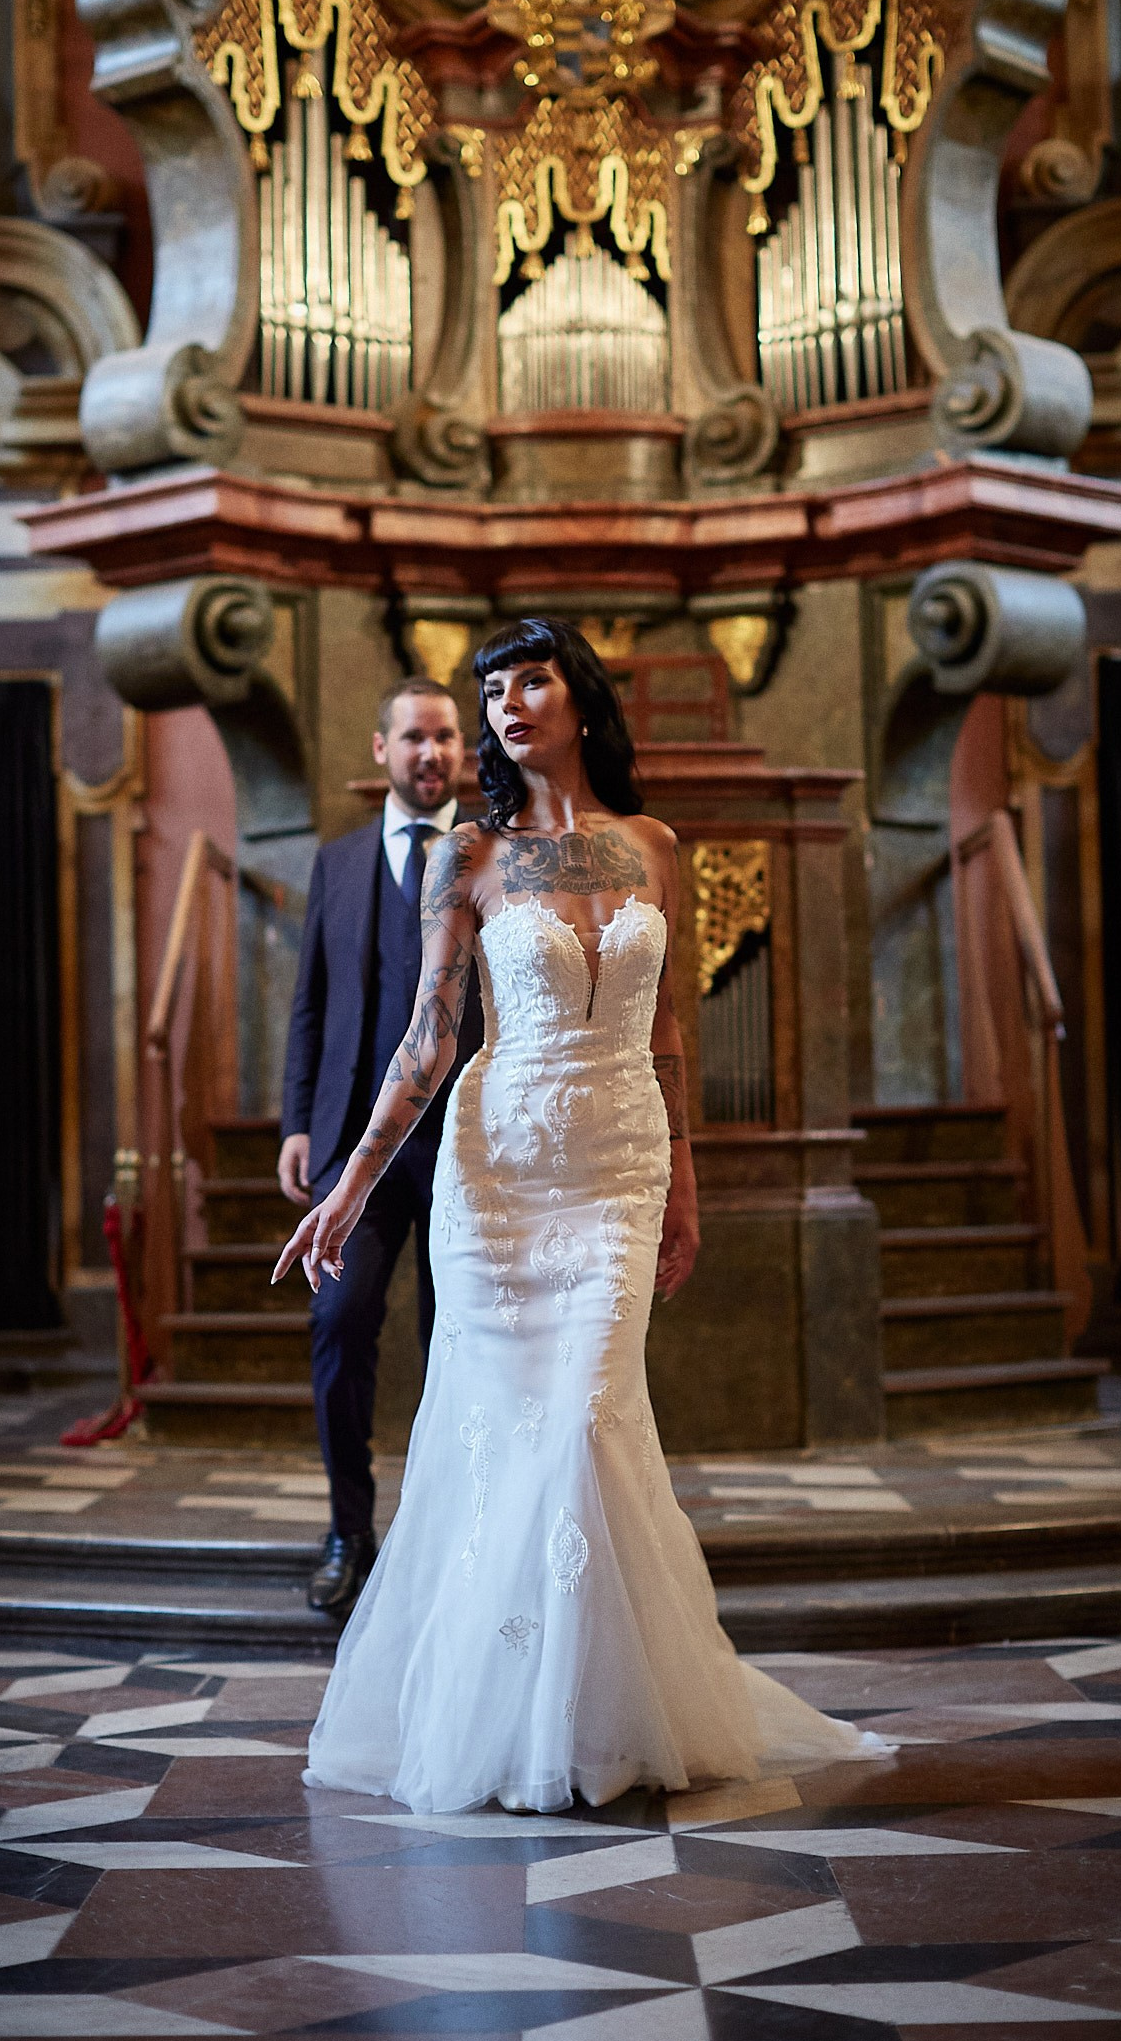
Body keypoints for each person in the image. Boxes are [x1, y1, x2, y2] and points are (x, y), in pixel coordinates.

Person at [275, 618, 891, 1814]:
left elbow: (671, 1033)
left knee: (593, 1415)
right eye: (489, 688)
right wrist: (349, 1182)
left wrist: (689, 1186)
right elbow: (429, 1035)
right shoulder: (472, 853)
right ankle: (521, 1725)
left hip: (621, 1160)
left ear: (580, 696)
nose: (506, 704)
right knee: (519, 1440)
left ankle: (596, 1713)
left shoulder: (656, 844)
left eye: (530, 680)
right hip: (498, 1170)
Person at [279, 675, 483, 1619]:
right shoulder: (339, 862)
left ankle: (451, 1540)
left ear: (463, 752)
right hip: (354, 1149)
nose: (430, 754)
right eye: (414, 739)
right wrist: (298, 1122)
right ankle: (347, 1532)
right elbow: (313, 1003)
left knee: (459, 1342)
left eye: (445, 738)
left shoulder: (494, 857)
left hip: (467, 1145)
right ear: (382, 750)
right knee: (338, 1325)